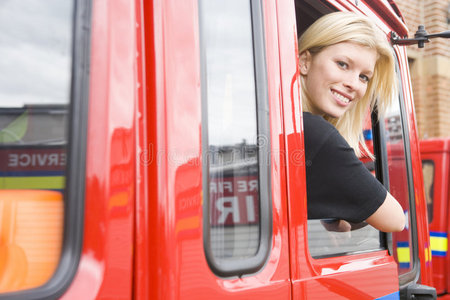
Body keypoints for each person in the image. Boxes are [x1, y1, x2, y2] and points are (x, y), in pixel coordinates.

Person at [298, 12, 405, 232]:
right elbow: (395, 220)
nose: (354, 85)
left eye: (364, 77)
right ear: (305, 61)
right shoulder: (313, 133)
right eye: (343, 64)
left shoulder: (286, 129)